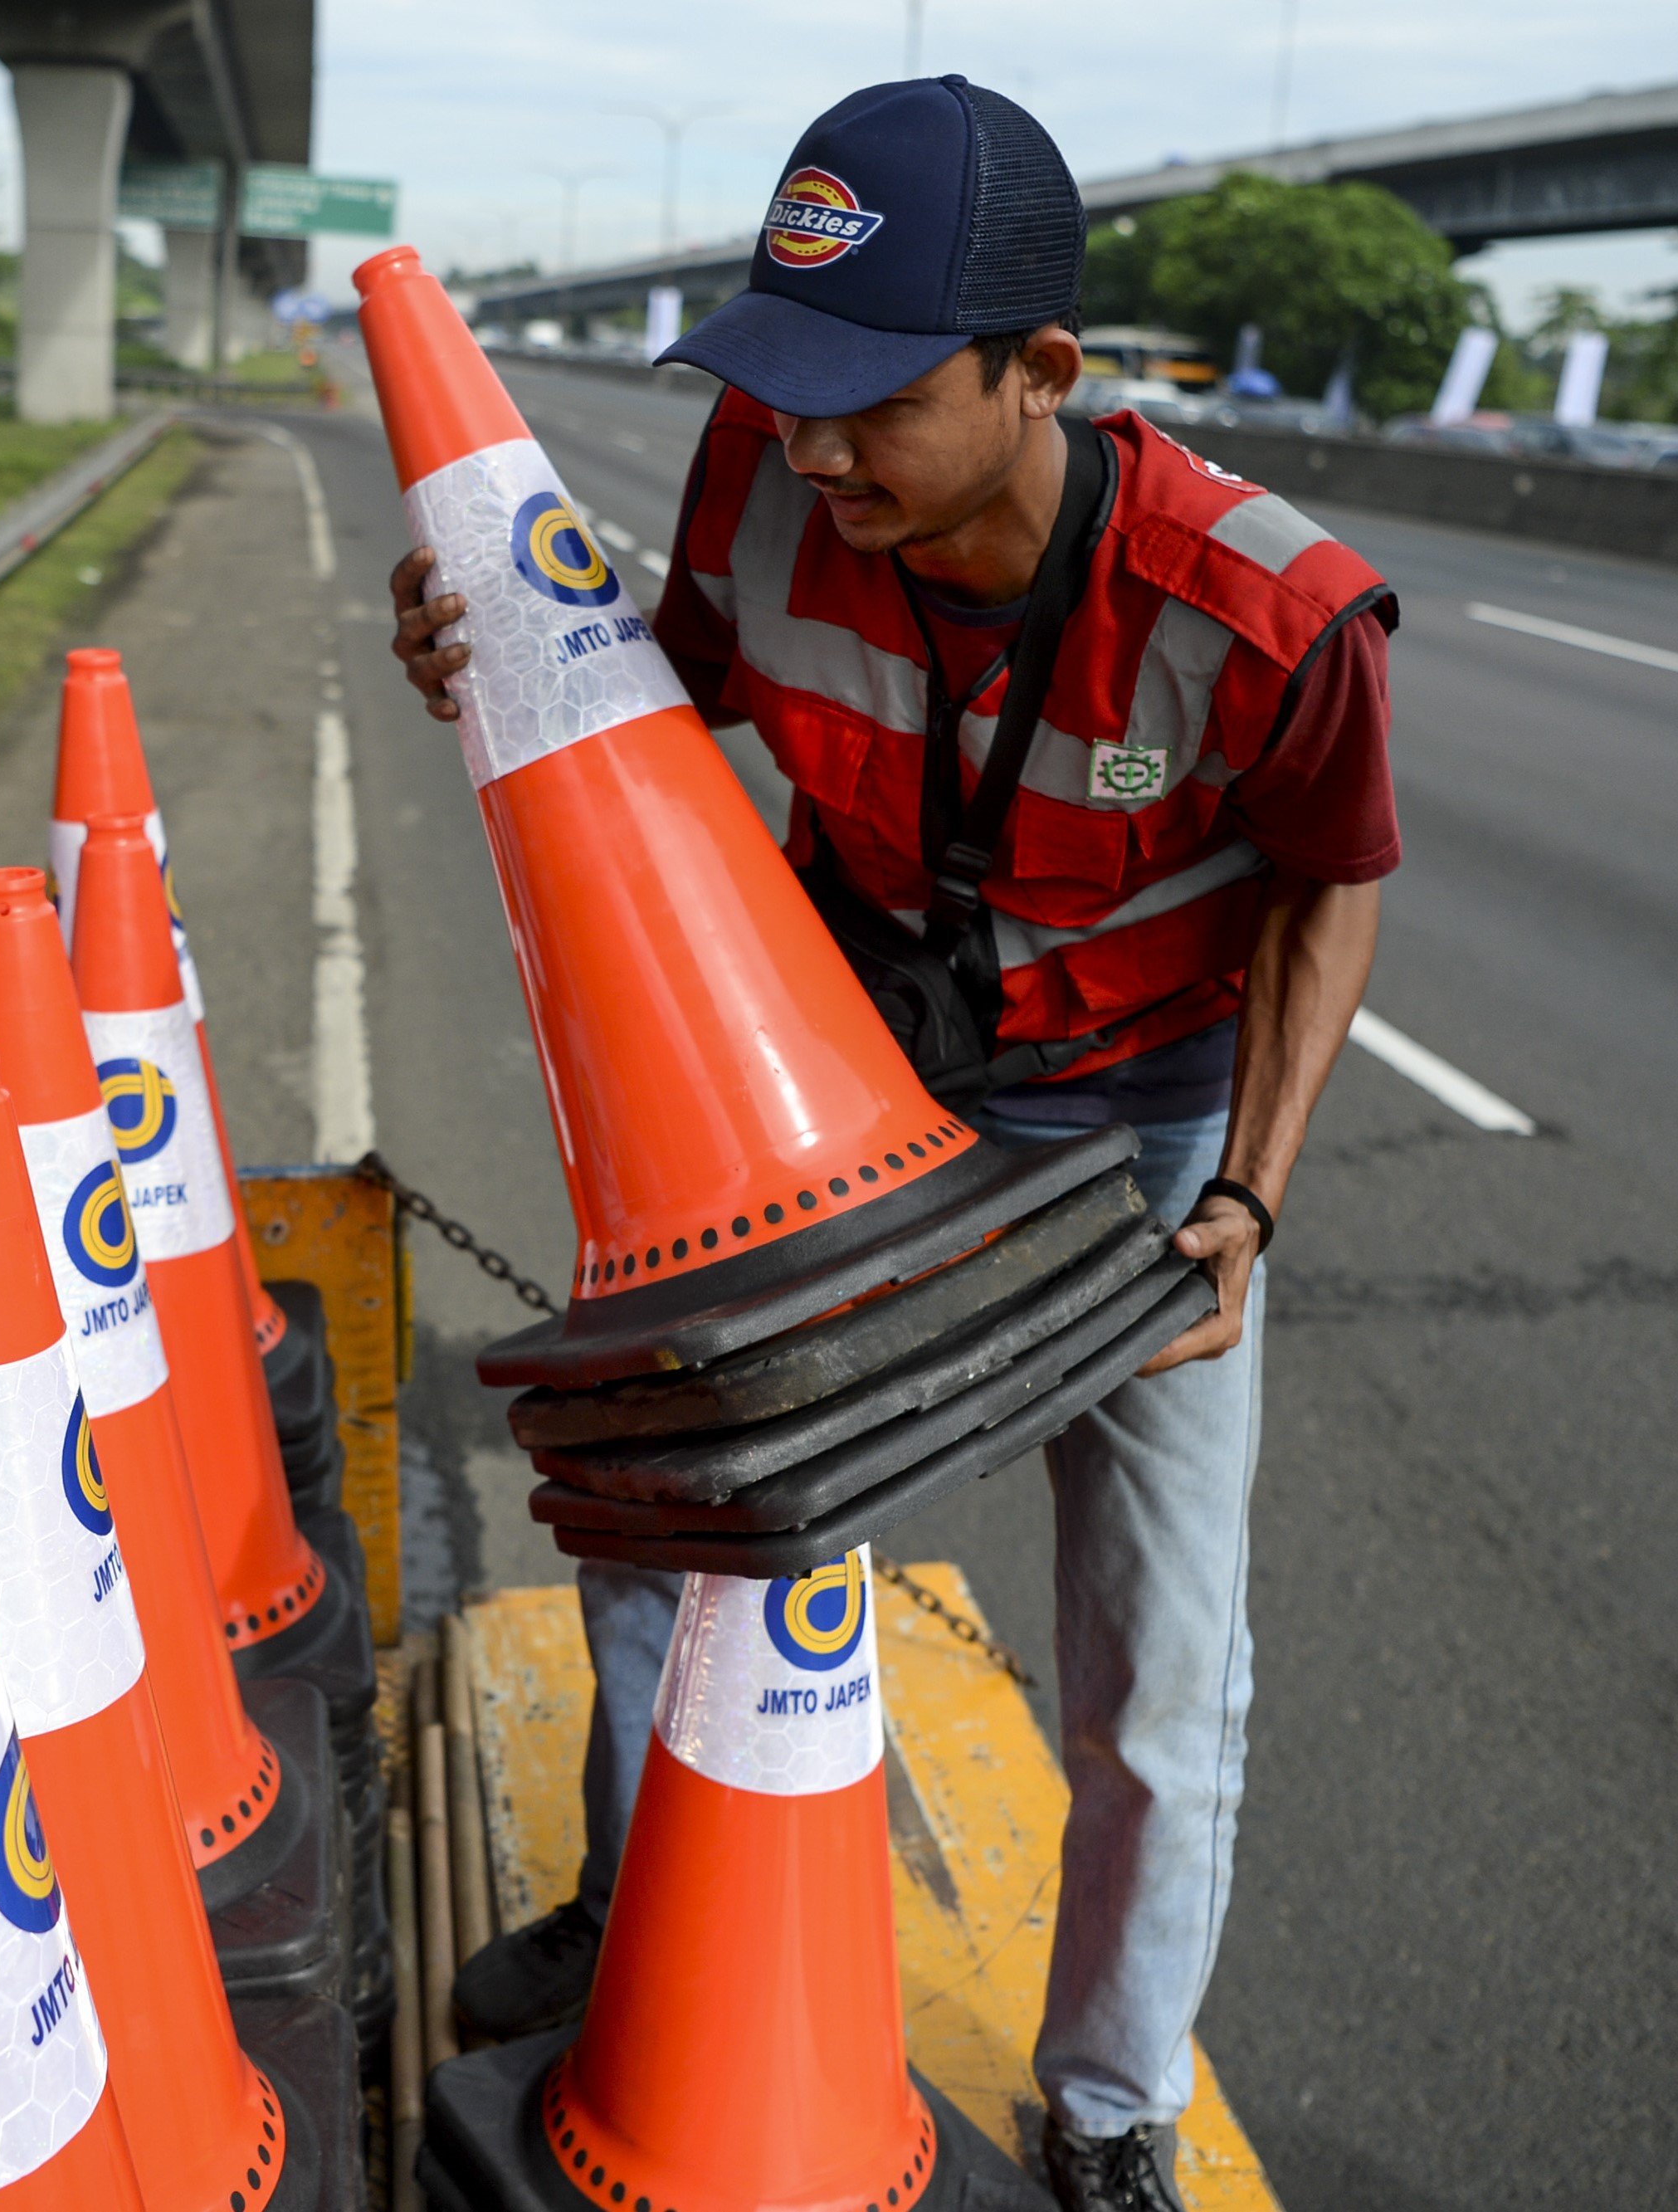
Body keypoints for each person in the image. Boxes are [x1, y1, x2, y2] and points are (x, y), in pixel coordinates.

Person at [389, 76, 1398, 2212]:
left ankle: (1110, 2108)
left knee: (1159, 1656)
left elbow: (1328, 887)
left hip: (1138, 1129)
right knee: (683, 1522)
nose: (817, 444)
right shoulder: (766, 485)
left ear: (1042, 373)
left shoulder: (1267, 612)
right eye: (785, 384)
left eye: (874, 398)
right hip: (835, 1073)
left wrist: (1245, 1197)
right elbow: (640, 714)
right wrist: (480, 660)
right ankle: (642, 1924)